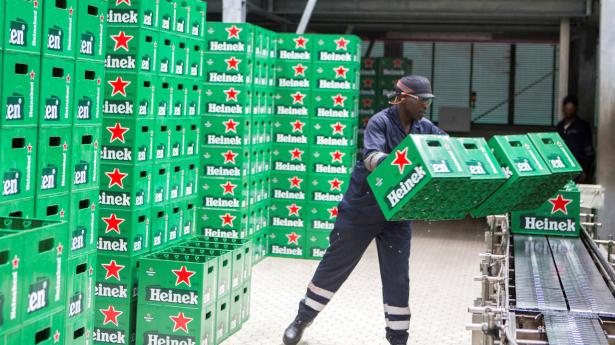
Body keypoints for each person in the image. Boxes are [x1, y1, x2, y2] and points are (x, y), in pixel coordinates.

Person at [282, 75, 446, 345]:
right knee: (334, 266)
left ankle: (398, 339)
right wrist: (400, 165)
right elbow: (371, 156)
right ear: (404, 98)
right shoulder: (380, 122)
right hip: (363, 209)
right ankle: (302, 319)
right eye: (423, 100)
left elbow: (446, 147)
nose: (426, 106)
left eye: (429, 101)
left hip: (397, 213)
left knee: (398, 277)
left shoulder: (425, 127)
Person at [555, 95, 594, 183]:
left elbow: (589, 151)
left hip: (578, 170)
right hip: (562, 170)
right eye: (566, 108)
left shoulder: (583, 126)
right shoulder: (559, 127)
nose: (568, 111)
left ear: (575, 109)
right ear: (563, 109)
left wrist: (585, 171)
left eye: (571, 108)